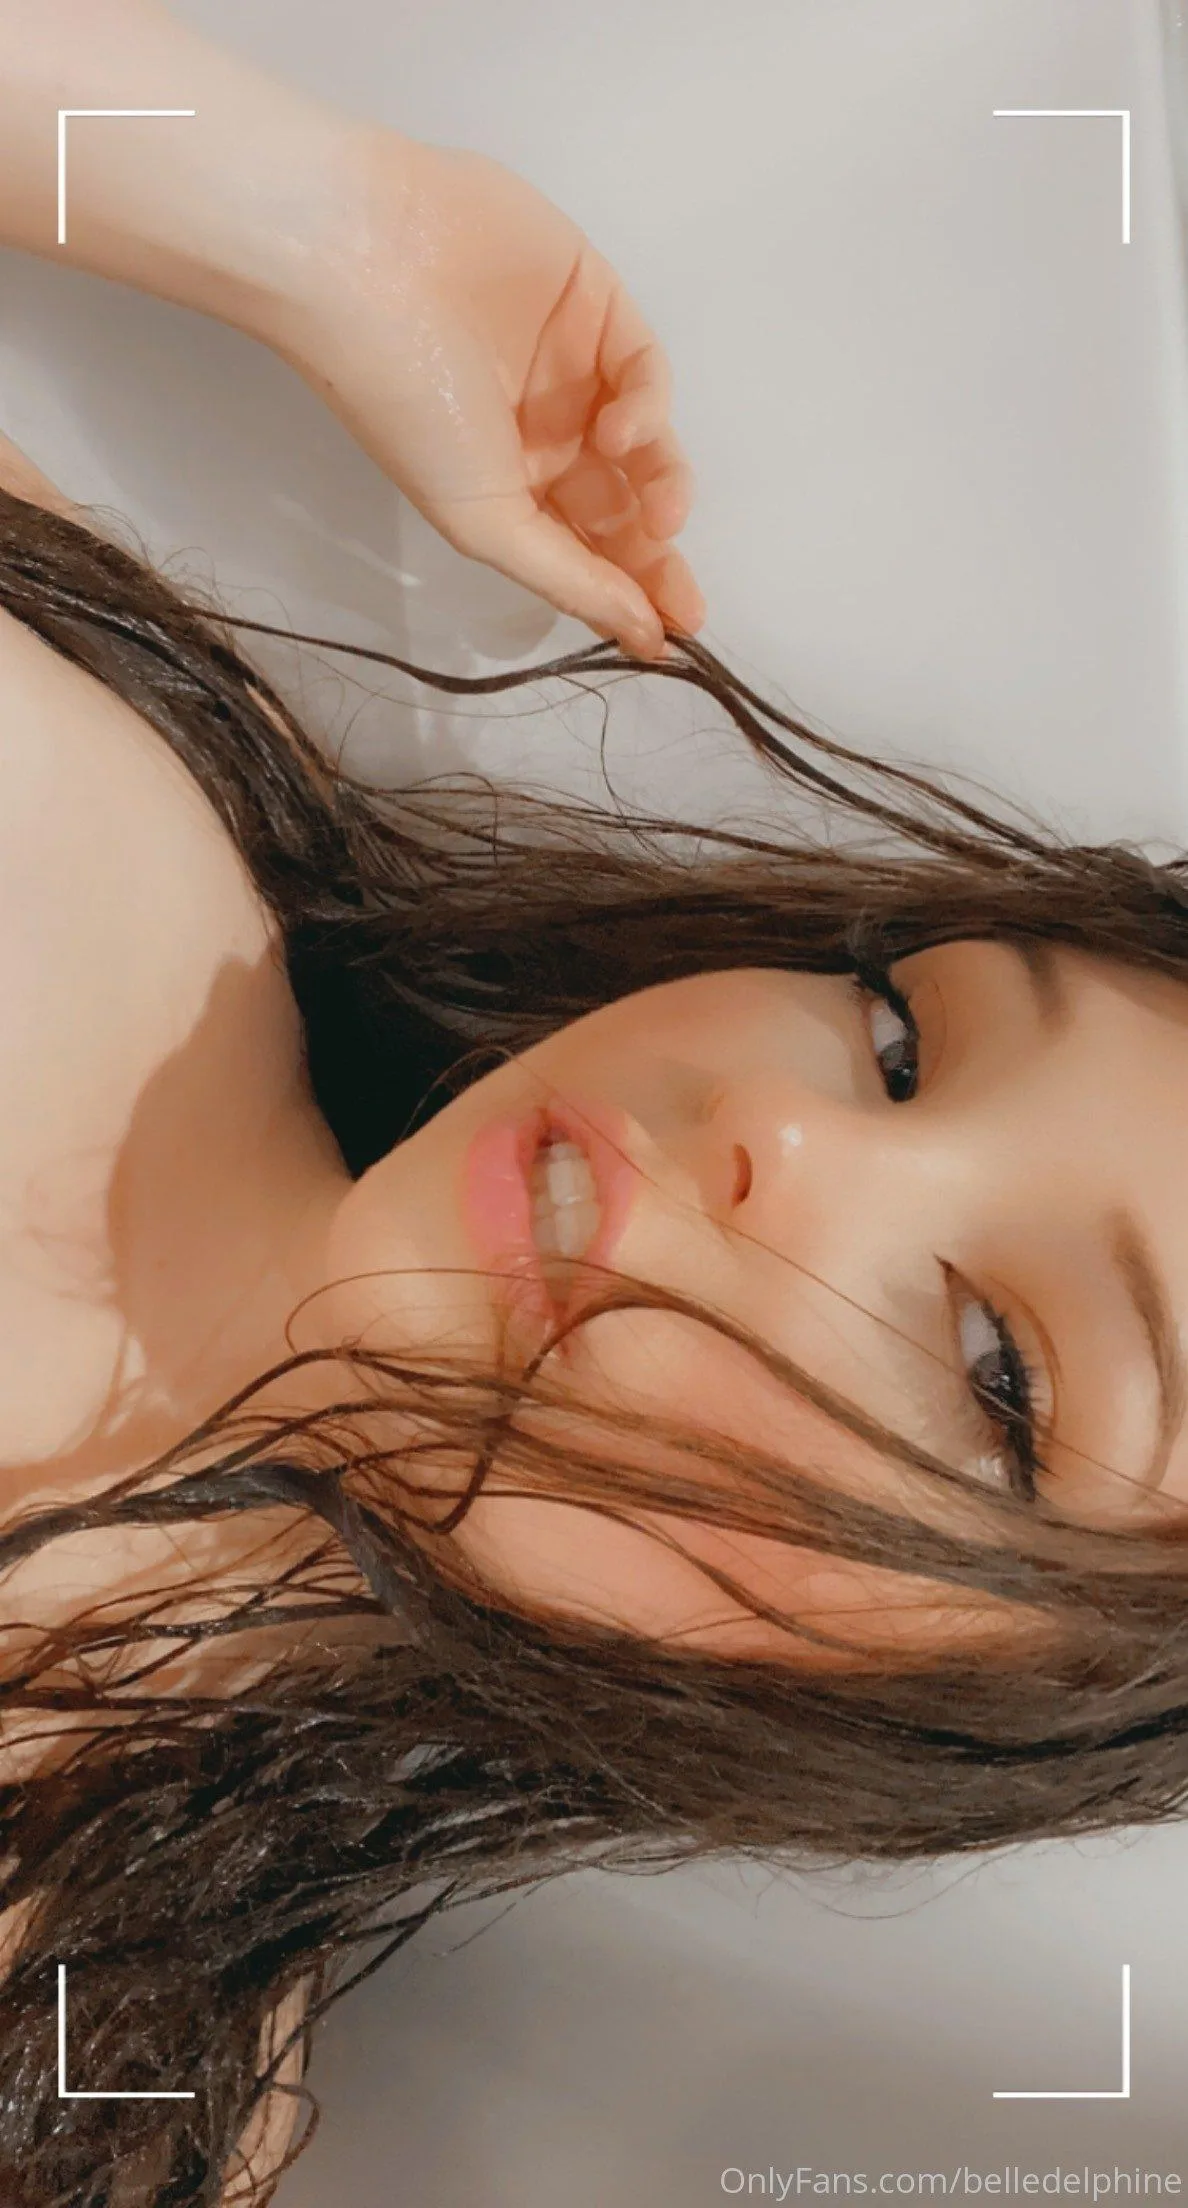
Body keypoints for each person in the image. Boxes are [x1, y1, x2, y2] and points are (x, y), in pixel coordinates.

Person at [2, 8, 1188, 2208]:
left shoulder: (116, 2083)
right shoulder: (90, 814)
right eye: (904, 1037)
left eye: (1000, 1369)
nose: (796, 1137)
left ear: (993, 1710)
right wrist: (300, 211)